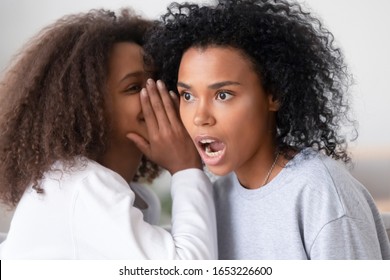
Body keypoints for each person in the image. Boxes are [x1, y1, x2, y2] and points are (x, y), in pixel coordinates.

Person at [143, 0, 390, 259]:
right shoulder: (215, 199)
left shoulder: (320, 194)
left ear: (274, 95)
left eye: (223, 95)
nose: (199, 117)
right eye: (188, 96)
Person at [0, 8, 217, 259]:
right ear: (89, 107)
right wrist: (185, 168)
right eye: (134, 87)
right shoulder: (81, 185)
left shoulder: (129, 195)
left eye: (159, 80)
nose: (157, 94)